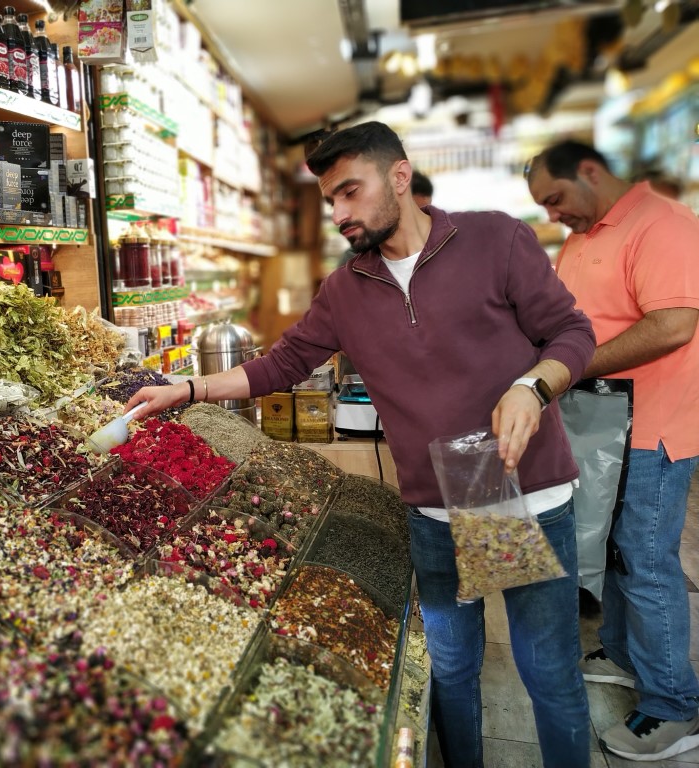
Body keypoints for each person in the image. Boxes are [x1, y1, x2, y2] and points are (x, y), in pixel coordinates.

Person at [128, 121, 596, 768]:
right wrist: (185, 389)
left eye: (351, 192)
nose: (339, 214)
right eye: (331, 202)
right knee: (451, 675)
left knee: (546, 672)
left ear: (399, 178)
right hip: (435, 506)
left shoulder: (494, 239)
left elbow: (571, 332)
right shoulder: (348, 288)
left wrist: (532, 389)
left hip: (516, 493)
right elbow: (281, 365)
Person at [526, 140, 699, 762]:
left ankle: (674, 705)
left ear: (590, 172)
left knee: (648, 561)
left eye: (555, 198)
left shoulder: (663, 224)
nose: (552, 214)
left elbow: (674, 324)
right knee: (619, 550)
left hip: (653, 428)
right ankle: (625, 653)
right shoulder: (584, 234)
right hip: (604, 428)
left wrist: (565, 369)